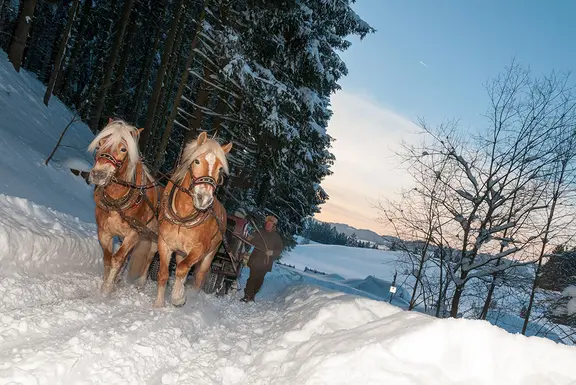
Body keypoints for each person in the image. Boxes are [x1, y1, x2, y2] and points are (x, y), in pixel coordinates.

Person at [241, 215, 284, 302]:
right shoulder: (259, 231)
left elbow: (279, 250)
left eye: (270, 224)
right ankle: (247, 295)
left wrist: (271, 252)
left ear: (273, 226)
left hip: (266, 262)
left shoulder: (276, 237)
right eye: (267, 223)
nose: (268, 225)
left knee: (259, 280)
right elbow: (251, 239)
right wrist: (249, 238)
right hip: (255, 259)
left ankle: (253, 295)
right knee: (252, 277)